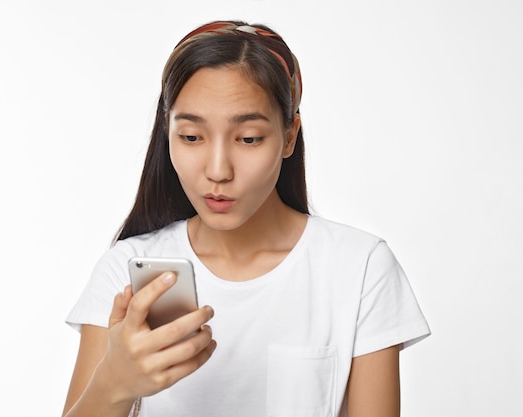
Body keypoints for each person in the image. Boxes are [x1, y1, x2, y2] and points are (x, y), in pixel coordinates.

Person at [62, 20, 430, 417]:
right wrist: (114, 385)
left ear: (289, 136)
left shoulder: (359, 268)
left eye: (249, 139)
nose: (218, 170)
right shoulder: (124, 270)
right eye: (191, 137)